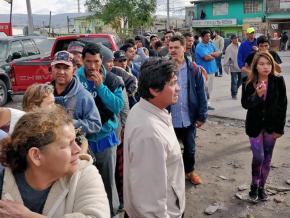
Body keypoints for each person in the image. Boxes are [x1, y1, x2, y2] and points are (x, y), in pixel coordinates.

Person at [0, 108, 110, 217]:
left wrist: (28, 216)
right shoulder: (3, 181)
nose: (77, 149)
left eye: (75, 140)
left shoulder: (85, 173)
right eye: (67, 144)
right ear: (36, 156)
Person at [123, 58, 185, 217]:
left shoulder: (147, 109)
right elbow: (149, 203)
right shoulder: (149, 133)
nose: (178, 88)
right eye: (172, 83)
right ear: (154, 90)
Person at [77, 43, 124, 217]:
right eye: (88, 61)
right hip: (82, 141)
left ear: (101, 60)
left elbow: (117, 106)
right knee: (86, 182)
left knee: (108, 180)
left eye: (96, 62)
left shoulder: (112, 80)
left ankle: (111, 212)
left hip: (105, 139)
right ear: (82, 60)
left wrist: (100, 87)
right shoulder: (76, 80)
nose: (92, 66)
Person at [241, 51, 287, 202]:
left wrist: (279, 129)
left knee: (267, 158)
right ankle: (254, 185)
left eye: (268, 63)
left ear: (272, 64)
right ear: (255, 66)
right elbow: (245, 104)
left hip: (271, 126)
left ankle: (262, 187)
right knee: (258, 157)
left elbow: (283, 106)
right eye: (261, 64)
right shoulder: (248, 82)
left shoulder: (278, 81)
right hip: (254, 126)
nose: (265, 67)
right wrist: (257, 95)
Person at [168, 35, 208, 185]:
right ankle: (172, 176)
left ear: (184, 48)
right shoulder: (164, 68)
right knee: (171, 151)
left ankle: (189, 172)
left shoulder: (194, 69)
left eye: (176, 47)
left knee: (190, 149)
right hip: (169, 119)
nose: (172, 50)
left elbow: (201, 94)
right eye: (170, 47)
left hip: (188, 117)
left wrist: (202, 116)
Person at [50, 50, 102, 136]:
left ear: (74, 70)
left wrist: (70, 123)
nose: (61, 72)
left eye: (66, 68)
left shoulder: (83, 95)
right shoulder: (44, 93)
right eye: (57, 67)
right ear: (52, 68)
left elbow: (95, 125)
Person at [195, 30, 220, 110]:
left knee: (210, 88)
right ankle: (204, 104)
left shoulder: (211, 44)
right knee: (204, 89)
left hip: (212, 70)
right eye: (207, 36)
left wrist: (212, 55)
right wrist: (214, 55)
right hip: (203, 71)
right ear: (202, 37)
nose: (209, 37)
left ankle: (207, 103)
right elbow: (206, 58)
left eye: (209, 36)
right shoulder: (199, 46)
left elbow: (219, 52)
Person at [223, 34, 241, 99]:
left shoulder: (240, 45)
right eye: (234, 38)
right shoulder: (229, 48)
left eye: (237, 38)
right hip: (233, 66)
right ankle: (234, 94)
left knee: (241, 80)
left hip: (241, 66)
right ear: (231, 39)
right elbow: (226, 58)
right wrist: (226, 67)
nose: (236, 39)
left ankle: (235, 89)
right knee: (234, 81)